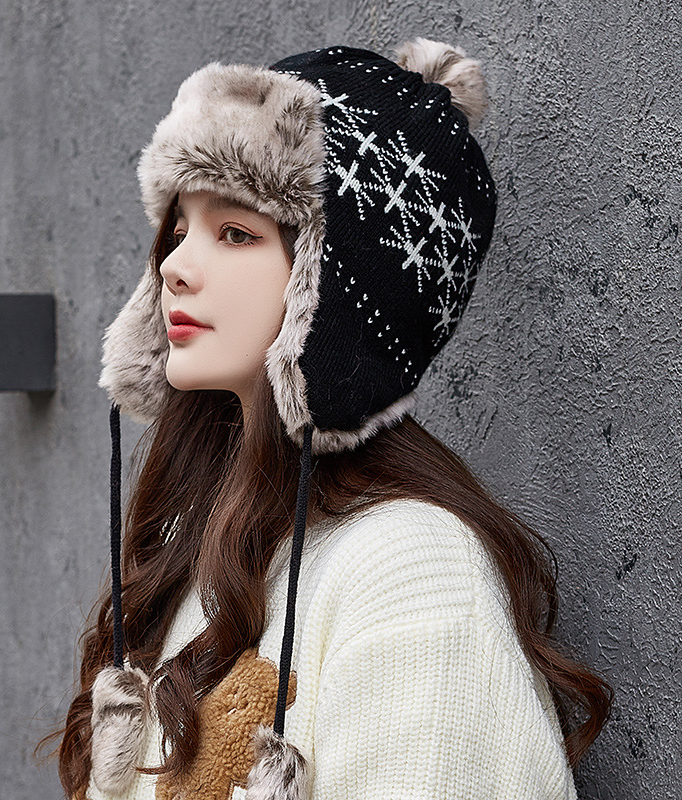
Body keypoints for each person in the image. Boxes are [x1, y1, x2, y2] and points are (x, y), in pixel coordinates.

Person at [45, 36, 613, 800]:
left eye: (237, 233)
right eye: (179, 229)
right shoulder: (204, 541)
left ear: (337, 294)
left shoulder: (412, 571)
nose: (174, 265)